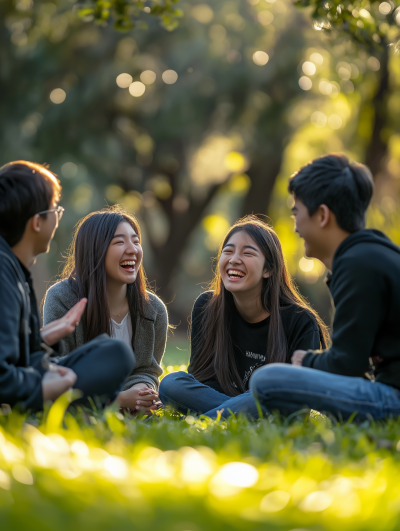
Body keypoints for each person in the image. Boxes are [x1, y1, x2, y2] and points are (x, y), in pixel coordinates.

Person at [250, 153, 400, 421]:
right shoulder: (374, 254)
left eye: (297, 212)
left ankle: (217, 413)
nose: (295, 226)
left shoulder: (357, 265)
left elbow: (347, 364)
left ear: (322, 215)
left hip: (393, 398)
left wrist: (304, 361)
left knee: (267, 379)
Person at [159, 216, 328, 418]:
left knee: (275, 391)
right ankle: (238, 415)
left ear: (269, 269)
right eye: (228, 251)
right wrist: (240, 407)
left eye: (247, 253)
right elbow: (201, 379)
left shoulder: (300, 320)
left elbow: (297, 398)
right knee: (171, 383)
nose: (234, 259)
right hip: (247, 405)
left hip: (273, 401)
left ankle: (210, 419)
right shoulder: (207, 307)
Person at [0, 161, 134, 412]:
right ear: (37, 222)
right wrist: (40, 387)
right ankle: (49, 410)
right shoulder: (4, 271)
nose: (58, 218)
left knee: (110, 351)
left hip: (23, 385)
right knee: (117, 354)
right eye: (54, 210)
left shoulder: (15, 268)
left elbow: (13, 355)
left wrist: (42, 339)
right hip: (20, 392)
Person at [43, 207, 168, 415]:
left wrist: (140, 394)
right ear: (95, 250)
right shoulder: (61, 298)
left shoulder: (154, 309)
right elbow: (55, 370)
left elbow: (147, 370)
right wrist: (119, 399)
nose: (132, 249)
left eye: (136, 241)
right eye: (120, 242)